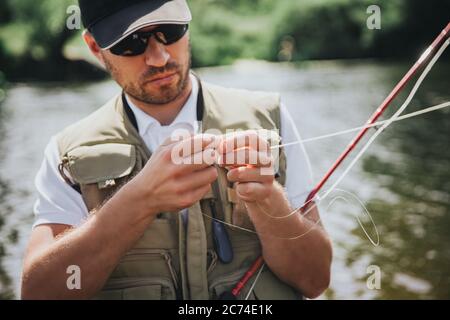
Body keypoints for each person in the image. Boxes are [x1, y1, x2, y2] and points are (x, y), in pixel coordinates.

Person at [21, 0, 332, 300]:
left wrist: (270, 201)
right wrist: (137, 201)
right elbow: (38, 293)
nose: (158, 57)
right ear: (94, 48)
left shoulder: (270, 117)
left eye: (170, 31)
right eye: (130, 42)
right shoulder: (66, 153)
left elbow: (315, 280)